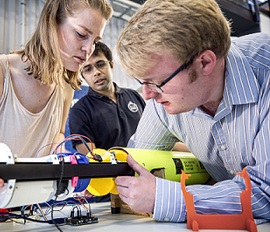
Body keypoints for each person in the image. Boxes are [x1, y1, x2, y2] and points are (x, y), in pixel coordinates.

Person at [0, 0, 113, 219]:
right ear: (52, 23)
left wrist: (75, 166)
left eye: (95, 40)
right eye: (81, 34)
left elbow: (52, 138)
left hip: (18, 205)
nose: (89, 50)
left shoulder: (65, 88)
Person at [114, 0, 270, 223]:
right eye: (142, 82)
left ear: (205, 62)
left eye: (156, 82)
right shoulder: (165, 100)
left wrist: (165, 198)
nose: (147, 95)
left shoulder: (266, 73)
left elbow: (265, 193)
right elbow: (137, 160)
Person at [69, 41, 146, 156]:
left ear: (111, 65)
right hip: (114, 173)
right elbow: (93, 160)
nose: (96, 72)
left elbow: (158, 139)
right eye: (88, 69)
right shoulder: (80, 111)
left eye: (100, 64)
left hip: (148, 167)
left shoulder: (134, 96)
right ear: (83, 75)